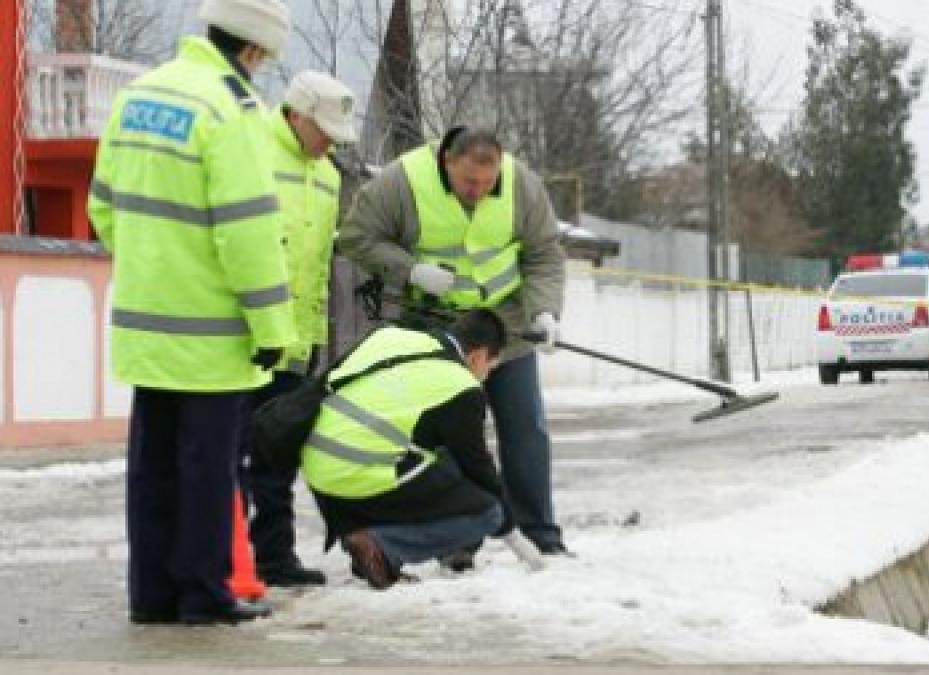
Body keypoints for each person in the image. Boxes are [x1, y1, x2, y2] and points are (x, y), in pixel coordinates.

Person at [87, 0, 296, 625]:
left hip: (144, 328)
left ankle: (151, 596)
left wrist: (154, 265)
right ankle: (203, 594)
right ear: (256, 52)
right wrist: (271, 328)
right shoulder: (232, 111)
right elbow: (248, 233)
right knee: (208, 471)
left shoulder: (136, 95)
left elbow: (103, 207)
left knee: (152, 468)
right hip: (211, 338)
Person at [339, 127, 568, 566]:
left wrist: (545, 312)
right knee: (446, 436)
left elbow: (543, 254)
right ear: (446, 162)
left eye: (488, 183)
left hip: (507, 326)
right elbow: (355, 238)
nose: (479, 192)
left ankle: (540, 532)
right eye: (469, 183)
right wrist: (410, 270)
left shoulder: (523, 186)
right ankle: (456, 540)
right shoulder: (399, 183)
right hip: (438, 326)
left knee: (525, 429)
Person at [239, 71, 357, 588]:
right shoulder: (250, 147)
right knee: (233, 456)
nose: (331, 141)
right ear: (297, 113)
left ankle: (273, 556)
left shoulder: (328, 174)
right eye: (325, 129)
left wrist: (311, 339)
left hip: (295, 339)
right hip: (242, 339)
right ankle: (227, 559)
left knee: (278, 453)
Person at [300, 309, 513, 589]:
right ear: (477, 356)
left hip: (317, 466)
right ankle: (383, 548)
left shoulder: (392, 337)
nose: (485, 376)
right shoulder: (459, 385)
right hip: (359, 472)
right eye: (490, 367)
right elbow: (476, 464)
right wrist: (508, 522)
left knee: (428, 461)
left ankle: (370, 548)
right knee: (486, 512)